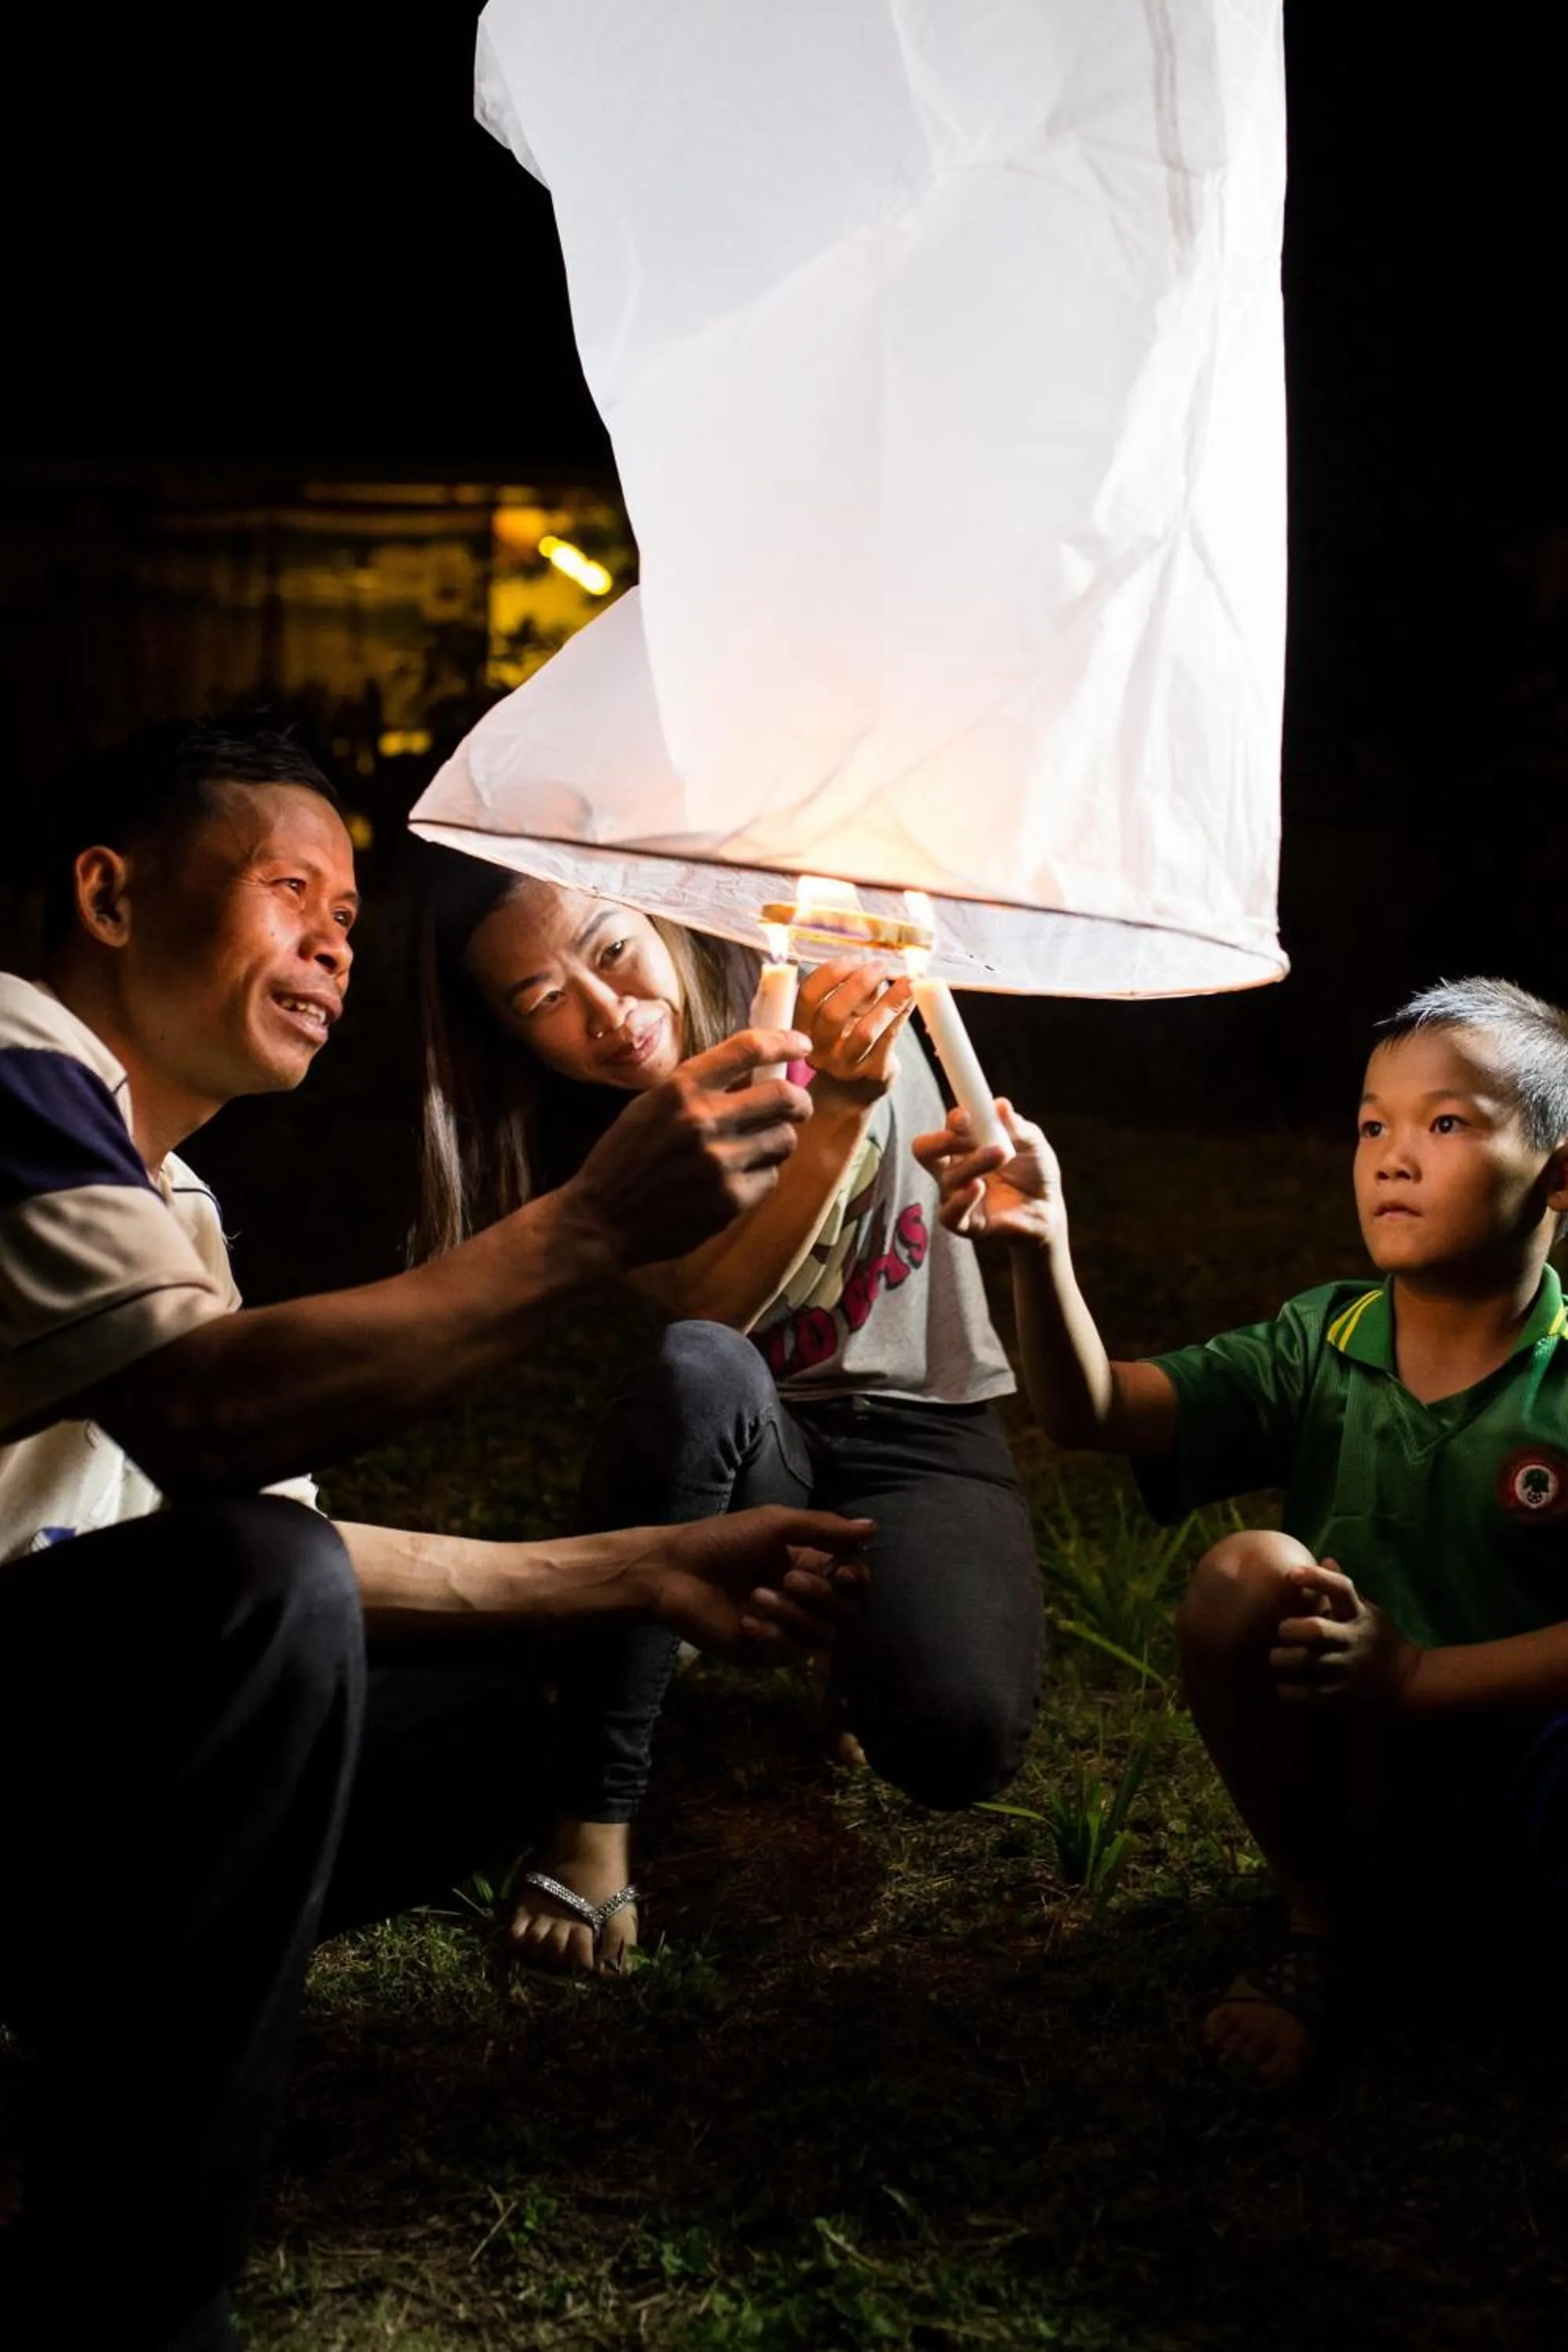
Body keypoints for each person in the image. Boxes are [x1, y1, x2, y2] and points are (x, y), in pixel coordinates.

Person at [0, 720, 875, 2352]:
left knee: (499, 1717)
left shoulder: (169, 1201)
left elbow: (274, 1539)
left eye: (349, 909)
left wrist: (636, 1576)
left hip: (46, 1739)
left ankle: (74, 2014)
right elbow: (212, 1428)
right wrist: (592, 1226)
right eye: (290, 889)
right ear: (110, 897)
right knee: (259, 1599)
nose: (335, 937)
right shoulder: (10, 1065)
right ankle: (132, 2294)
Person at [914, 977, 1568, 2088]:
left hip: (1534, 1772)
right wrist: (1040, 1248)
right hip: (1359, 1784)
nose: (1392, 1156)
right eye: (1372, 1124)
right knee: (1245, 1574)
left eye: (1446, 1122)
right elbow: (1094, 1413)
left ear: (1558, 1176)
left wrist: (1415, 1677)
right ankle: (1323, 1926)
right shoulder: (1320, 1343)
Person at [416, 852, 1045, 1974]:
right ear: (510, 1037)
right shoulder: (614, 1145)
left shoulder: (833, 959)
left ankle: (859, 1641)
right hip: (755, 1446)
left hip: (926, 1421)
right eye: (543, 1001)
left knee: (958, 1742)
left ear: (663, 913)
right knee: (697, 1364)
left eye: (611, 949)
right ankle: (591, 1817)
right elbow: (715, 1301)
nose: (607, 1014)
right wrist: (840, 1107)